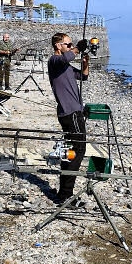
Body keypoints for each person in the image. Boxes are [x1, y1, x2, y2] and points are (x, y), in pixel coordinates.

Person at [47, 32, 90, 203]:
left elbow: (83, 76)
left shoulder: (66, 66)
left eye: (72, 45)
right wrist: (78, 48)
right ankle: (67, 193)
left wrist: (85, 63)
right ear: (59, 46)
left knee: (70, 152)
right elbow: (66, 58)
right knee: (79, 150)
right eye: (68, 44)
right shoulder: (55, 61)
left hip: (72, 112)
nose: (71, 47)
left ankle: (63, 192)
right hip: (70, 113)